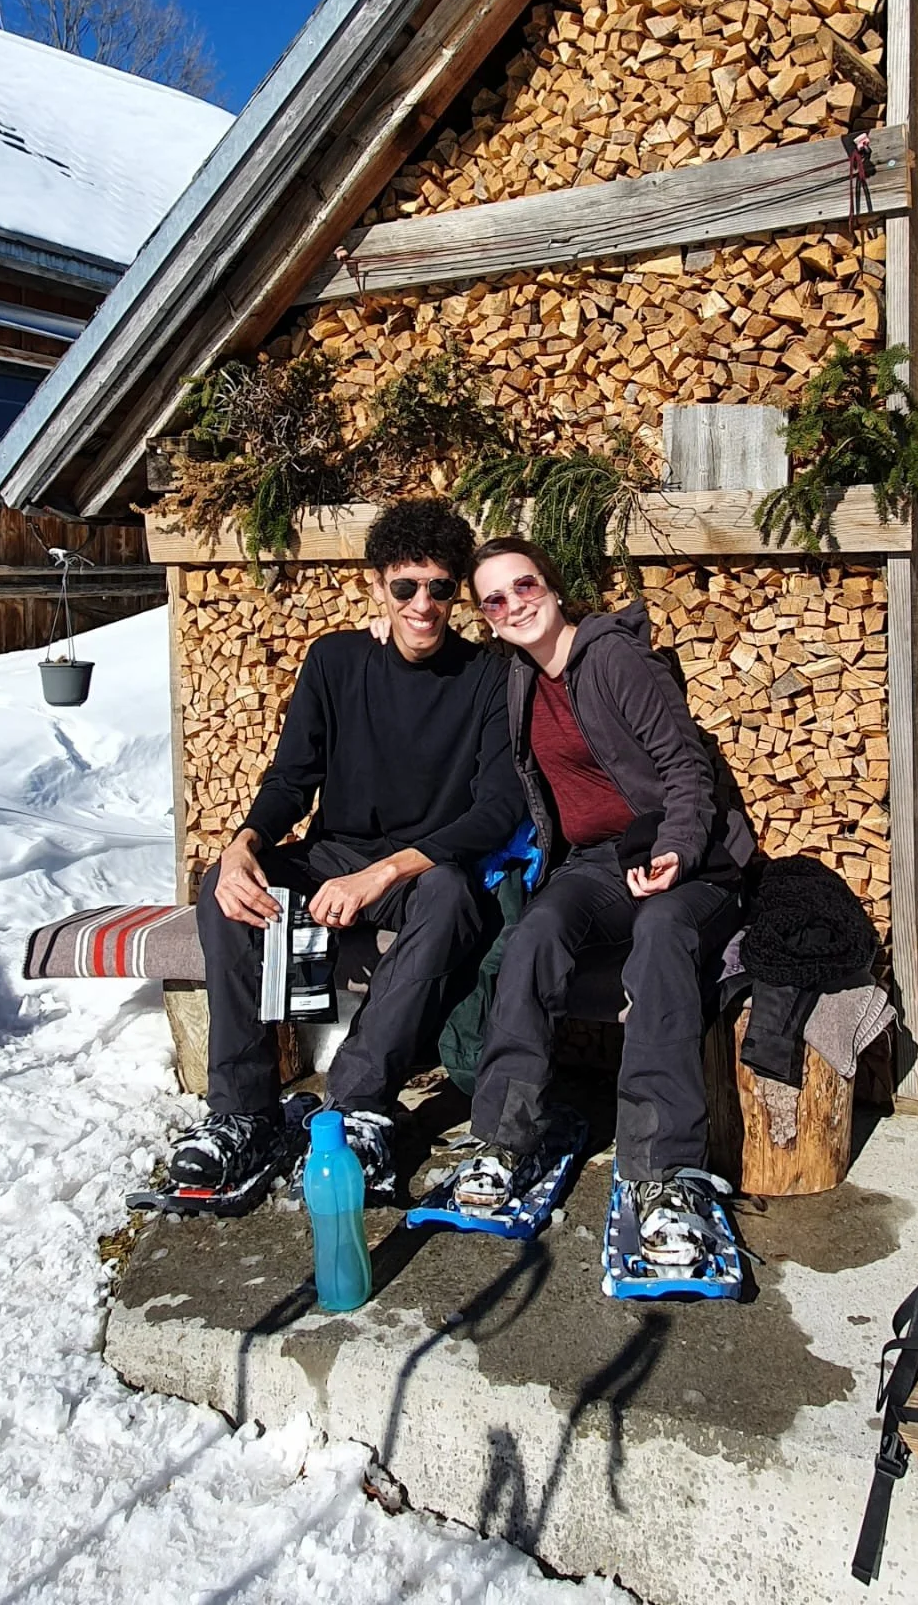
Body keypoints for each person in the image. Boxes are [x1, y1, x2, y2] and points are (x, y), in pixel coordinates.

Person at [168, 498, 525, 1202]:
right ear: (377, 587)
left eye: (440, 588)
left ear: (457, 595)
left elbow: (497, 810)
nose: (422, 604)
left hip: (422, 866)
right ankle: (242, 1114)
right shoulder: (334, 660)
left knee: (454, 895)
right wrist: (242, 846)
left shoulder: (489, 676)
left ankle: (357, 1103)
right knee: (223, 887)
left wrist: (385, 873)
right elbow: (292, 778)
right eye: (405, 586)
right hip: (335, 854)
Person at [448, 537, 758, 1275]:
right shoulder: (517, 674)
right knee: (536, 932)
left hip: (692, 862)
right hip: (596, 866)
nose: (515, 604)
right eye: (495, 599)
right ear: (486, 619)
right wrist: (377, 625)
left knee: (659, 939)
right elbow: (427, 658)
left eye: (525, 586)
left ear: (553, 589)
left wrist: (679, 850)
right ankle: (503, 1136)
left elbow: (686, 765)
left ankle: (662, 1171)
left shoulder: (614, 658)